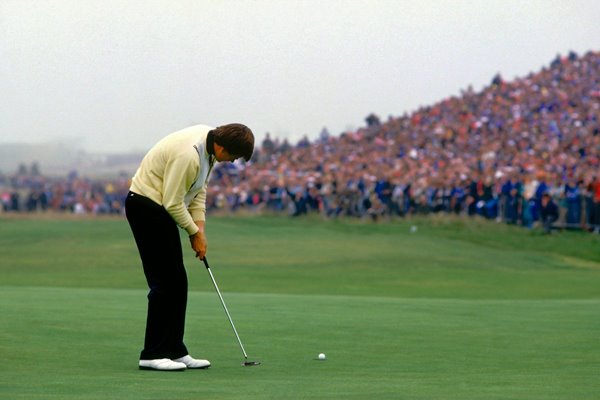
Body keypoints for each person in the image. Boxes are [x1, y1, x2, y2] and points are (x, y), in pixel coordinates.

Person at [125, 123, 254, 371]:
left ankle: (174, 349)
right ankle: (152, 353)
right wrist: (194, 233)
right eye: (233, 156)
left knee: (178, 281)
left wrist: (200, 228)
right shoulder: (189, 155)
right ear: (221, 146)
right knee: (164, 282)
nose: (231, 161)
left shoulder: (210, 148)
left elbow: (199, 189)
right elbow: (172, 203)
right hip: (145, 206)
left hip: (159, 208)